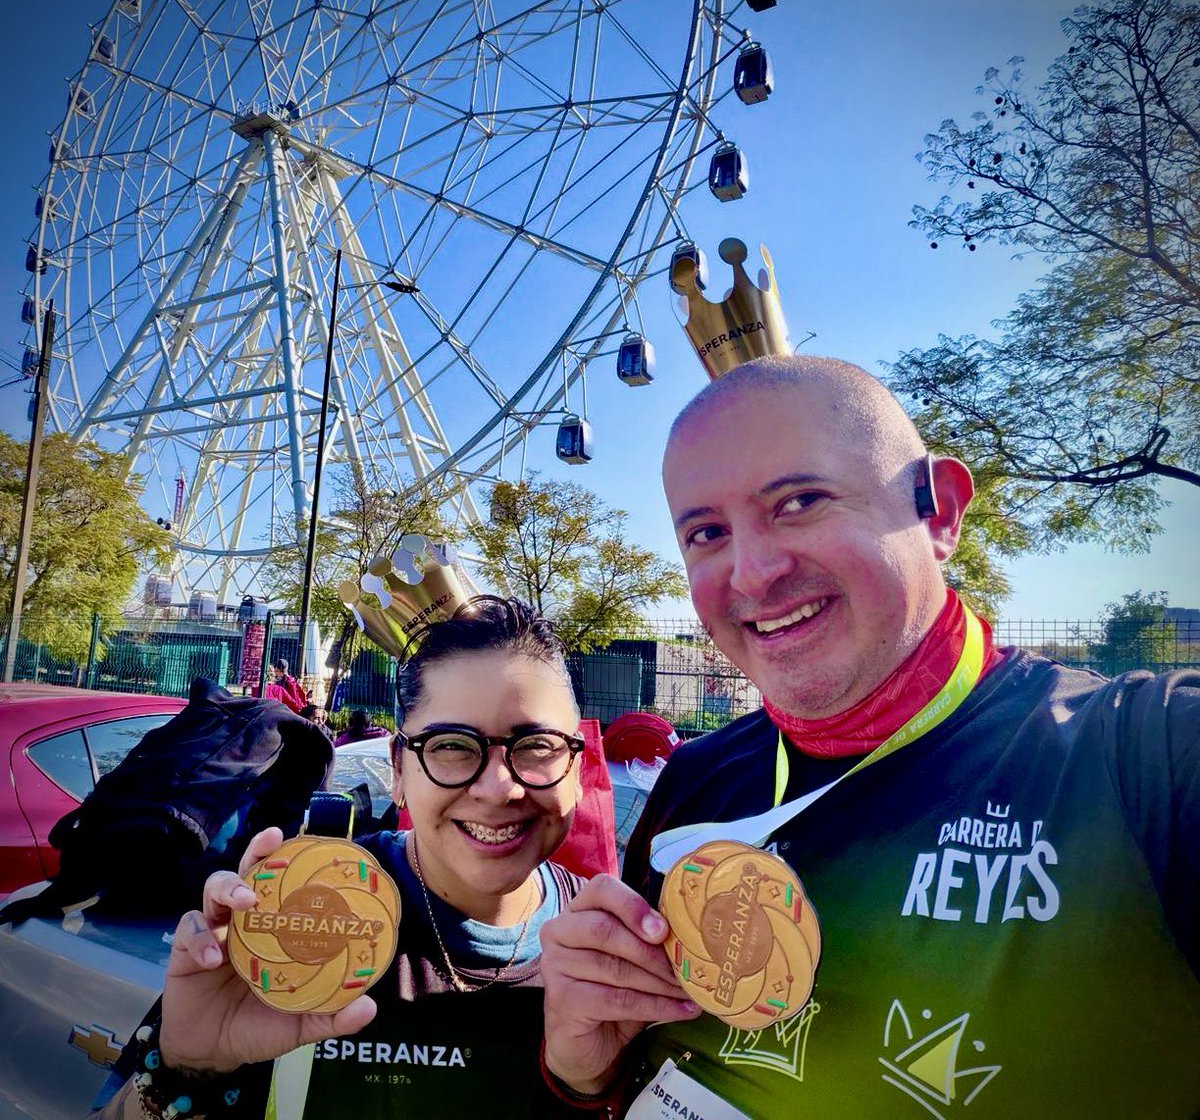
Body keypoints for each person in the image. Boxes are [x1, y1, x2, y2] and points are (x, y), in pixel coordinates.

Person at [539, 356, 1200, 1117]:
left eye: (800, 501)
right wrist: (584, 1073)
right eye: (707, 532)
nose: (752, 574)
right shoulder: (695, 784)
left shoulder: (1145, 755)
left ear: (941, 512)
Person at [95, 597, 600, 1118]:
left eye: (537, 745)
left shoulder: (611, 950)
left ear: (579, 767)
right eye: (452, 745)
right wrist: (188, 1070)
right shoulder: (291, 917)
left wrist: (591, 1089)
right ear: (399, 771)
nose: (498, 788)